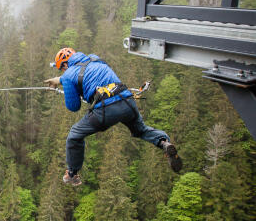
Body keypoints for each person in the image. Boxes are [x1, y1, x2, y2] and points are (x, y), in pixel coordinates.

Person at [44, 47, 182, 185]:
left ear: (65, 65)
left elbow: (74, 107)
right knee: (141, 130)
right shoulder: (94, 58)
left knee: (74, 135)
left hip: (105, 109)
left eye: (62, 69)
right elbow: (85, 73)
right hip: (127, 100)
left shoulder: (68, 75)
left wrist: (67, 83)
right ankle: (164, 142)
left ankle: (72, 174)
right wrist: (62, 80)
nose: (63, 72)